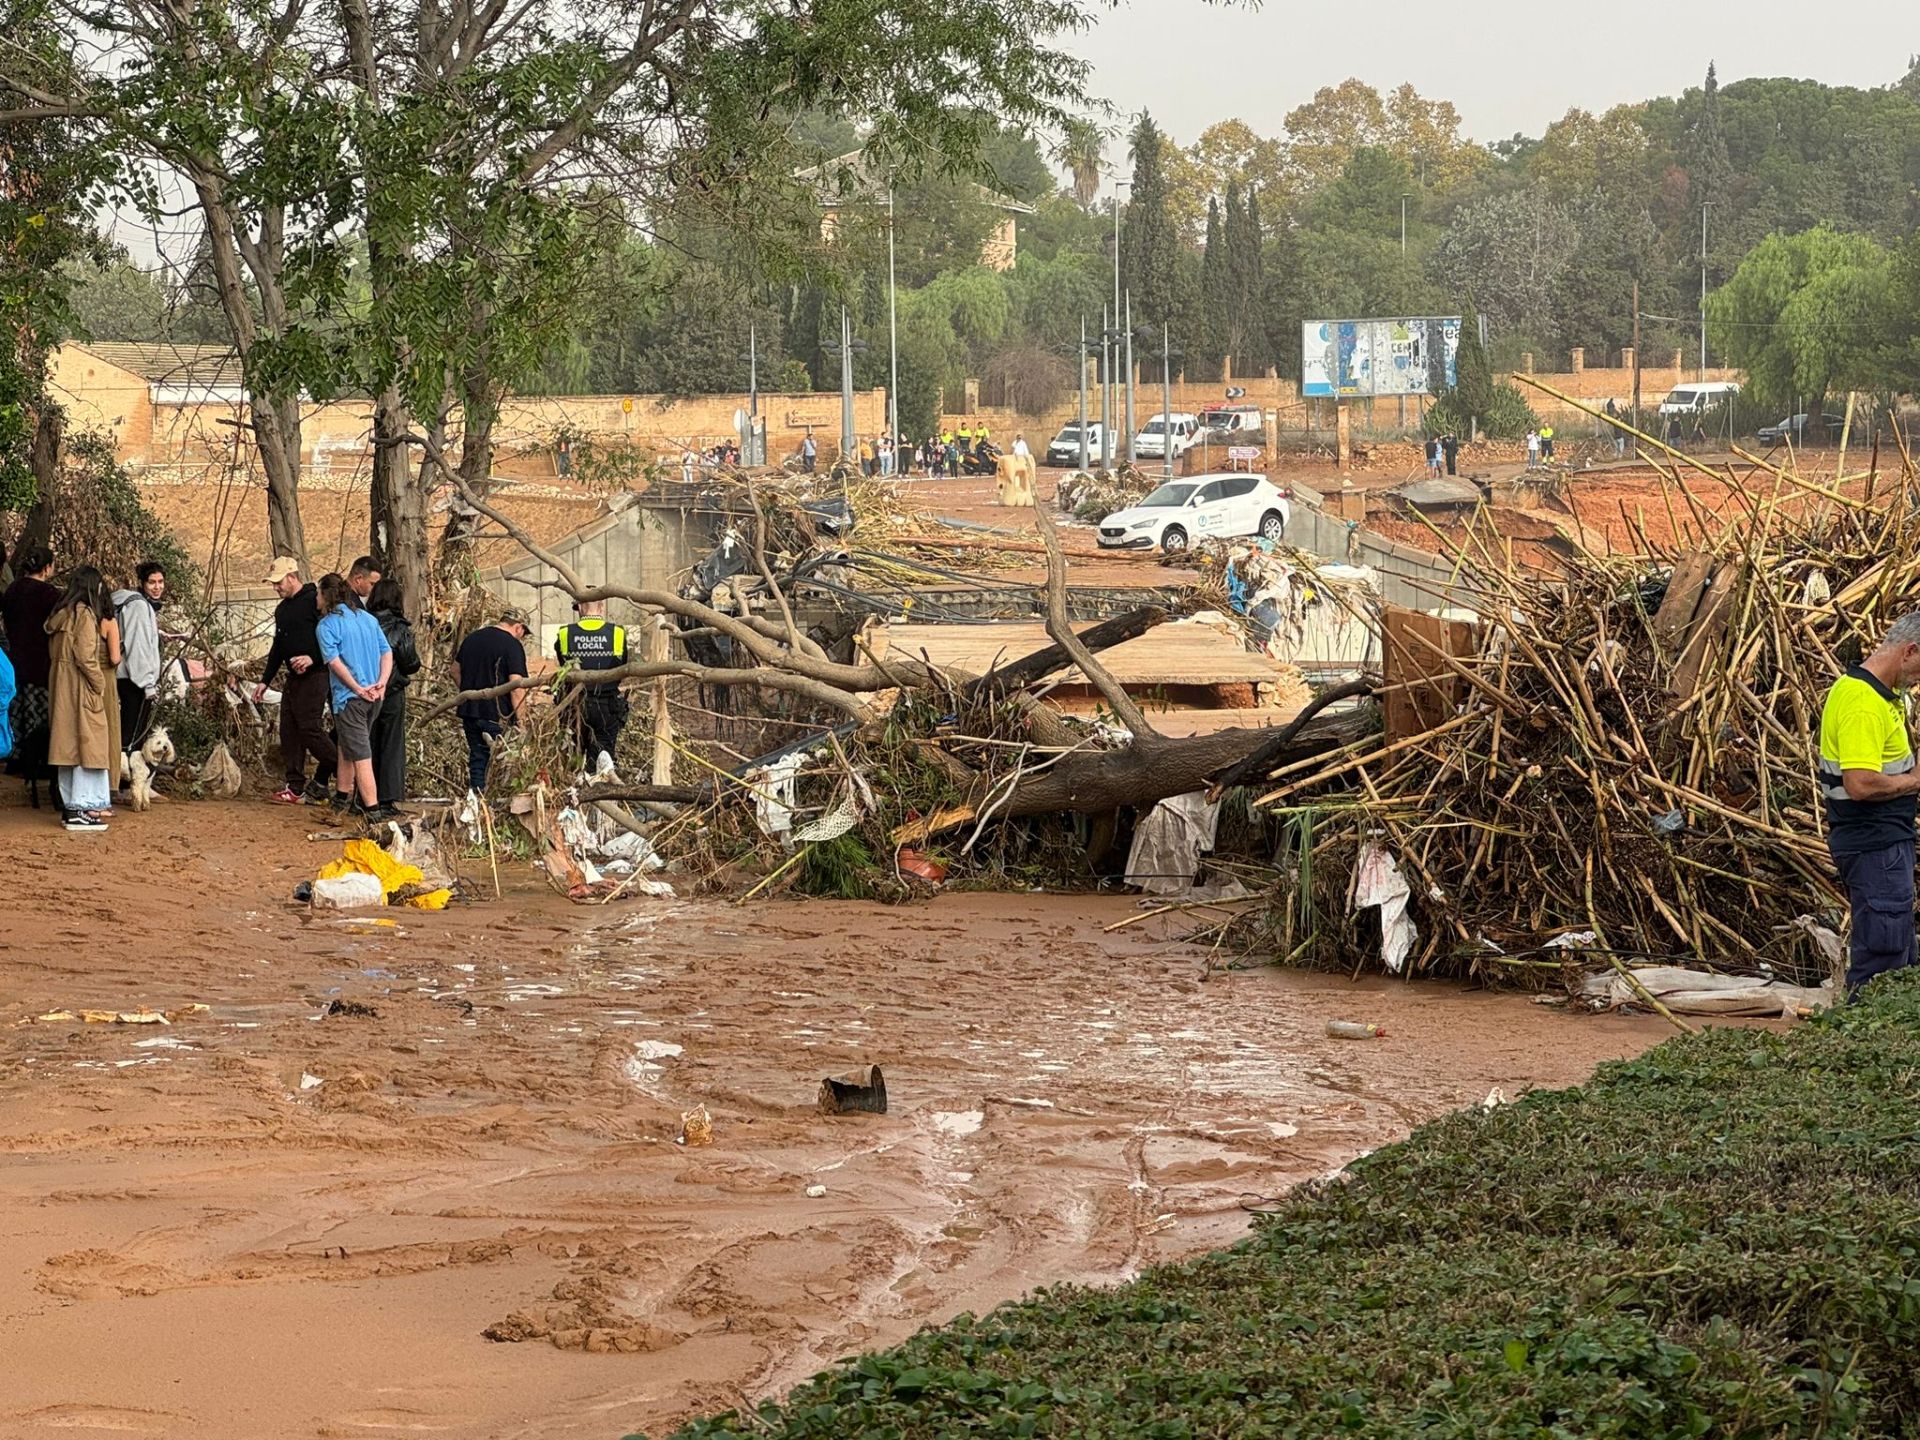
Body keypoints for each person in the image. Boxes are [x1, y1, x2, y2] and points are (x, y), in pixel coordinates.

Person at [1819, 613, 1920, 996]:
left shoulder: (1875, 694)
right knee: (1884, 958)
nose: (1917, 681)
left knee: (1896, 950)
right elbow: (1859, 784)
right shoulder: (1863, 704)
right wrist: (1914, 781)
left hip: (1879, 842)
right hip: (1874, 843)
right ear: (1909, 651)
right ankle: (1862, 1039)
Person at [46, 564, 122, 831]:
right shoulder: (85, 615)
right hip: (81, 689)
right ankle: (83, 806)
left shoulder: (61, 614)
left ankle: (71, 807)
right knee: (89, 747)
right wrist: (99, 683)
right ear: (93, 586)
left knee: (67, 749)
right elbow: (86, 656)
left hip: (61, 688)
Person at [256, 556, 338, 804]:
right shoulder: (281, 610)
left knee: (310, 728)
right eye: (273, 583)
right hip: (293, 678)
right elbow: (277, 647)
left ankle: (345, 769)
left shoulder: (314, 602)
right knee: (289, 730)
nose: (276, 587)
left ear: (292, 577)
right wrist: (265, 681)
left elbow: (331, 638)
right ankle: (295, 787)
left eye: (279, 582)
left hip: (316, 675)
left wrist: (313, 658)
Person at [315, 571, 392, 819]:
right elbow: (386, 652)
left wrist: (357, 688)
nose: (315, 598)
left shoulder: (326, 626)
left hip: (351, 698)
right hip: (375, 697)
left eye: (318, 593)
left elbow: (335, 663)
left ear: (326, 596)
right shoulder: (368, 620)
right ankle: (341, 798)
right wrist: (381, 682)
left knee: (361, 755)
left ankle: (373, 811)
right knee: (346, 747)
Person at [2, 546, 62, 806]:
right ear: (47, 568)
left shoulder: (13, 589)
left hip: (15, 660)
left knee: (17, 711)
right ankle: (39, 763)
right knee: (41, 717)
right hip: (41, 663)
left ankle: (16, 758)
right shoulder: (50, 594)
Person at [453, 607, 529, 793]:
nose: (522, 637)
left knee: (478, 756)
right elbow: (516, 687)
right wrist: (522, 721)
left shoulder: (472, 638)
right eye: (524, 633)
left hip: (470, 710)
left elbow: (454, 671)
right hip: (497, 713)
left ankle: (477, 799)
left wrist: (469, 691)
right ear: (519, 627)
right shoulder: (512, 645)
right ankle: (494, 804)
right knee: (501, 763)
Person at [554, 598, 628, 771]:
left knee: (572, 759)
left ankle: (574, 792)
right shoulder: (617, 632)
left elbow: (563, 665)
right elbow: (623, 665)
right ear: (601, 607)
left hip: (574, 705)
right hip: (607, 706)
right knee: (603, 761)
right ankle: (600, 794)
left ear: (579, 608)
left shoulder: (565, 633)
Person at [366, 577, 420, 813]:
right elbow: (410, 663)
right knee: (391, 743)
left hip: (363, 690)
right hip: (391, 691)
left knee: (366, 743)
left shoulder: (363, 623)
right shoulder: (400, 628)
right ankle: (387, 798)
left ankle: (364, 797)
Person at [112, 561, 165, 754]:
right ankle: (127, 778)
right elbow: (137, 646)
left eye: (160, 582)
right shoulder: (138, 606)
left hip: (123, 676)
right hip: (135, 680)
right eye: (152, 582)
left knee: (125, 730)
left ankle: (122, 774)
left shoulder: (130, 603)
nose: (157, 587)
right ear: (142, 583)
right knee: (133, 736)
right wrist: (148, 684)